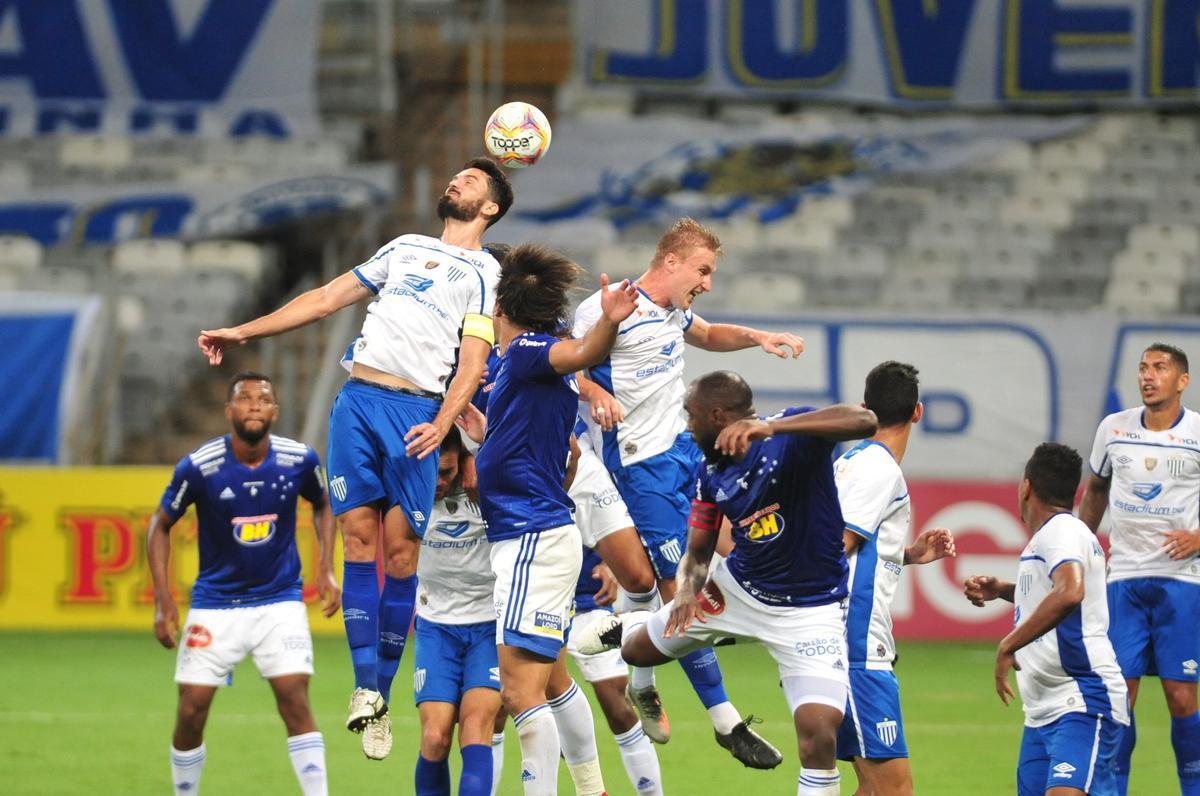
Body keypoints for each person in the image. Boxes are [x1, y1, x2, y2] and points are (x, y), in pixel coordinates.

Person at [198, 158, 513, 759]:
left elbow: (473, 361)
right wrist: (241, 333)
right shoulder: (403, 247)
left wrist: (443, 422)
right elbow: (322, 298)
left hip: (416, 412)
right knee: (359, 541)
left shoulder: (484, 273)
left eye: (471, 182)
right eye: (455, 177)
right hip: (357, 400)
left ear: (491, 207)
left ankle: (383, 693)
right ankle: (366, 692)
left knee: (401, 553)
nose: (455, 182)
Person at [573, 217, 804, 765]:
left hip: (683, 452)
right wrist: (591, 392)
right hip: (637, 465)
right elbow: (565, 361)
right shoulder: (608, 306)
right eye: (703, 270)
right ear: (670, 261)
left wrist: (756, 337)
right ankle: (725, 721)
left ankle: (643, 678)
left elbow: (704, 333)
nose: (707, 281)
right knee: (683, 587)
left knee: (684, 576)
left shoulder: (673, 310)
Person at [586, 370, 877, 795]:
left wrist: (772, 426)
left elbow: (863, 421)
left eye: (691, 416)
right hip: (738, 592)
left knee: (819, 734)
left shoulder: (790, 438)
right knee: (636, 650)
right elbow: (700, 549)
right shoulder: (711, 472)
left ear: (717, 416)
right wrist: (686, 593)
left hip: (809, 612)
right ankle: (633, 627)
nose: (687, 425)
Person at [458, 243, 638, 795]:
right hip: (536, 531)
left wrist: (606, 324)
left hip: (530, 539)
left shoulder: (529, 351)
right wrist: (489, 440)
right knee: (554, 681)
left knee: (518, 693)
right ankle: (592, 789)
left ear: (500, 310)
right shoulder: (528, 373)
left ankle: (634, 628)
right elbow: (565, 457)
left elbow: (577, 354)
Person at [147, 372, 340, 796]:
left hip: (279, 601)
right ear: (228, 411)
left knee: (295, 699)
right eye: (244, 398)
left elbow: (323, 505)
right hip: (216, 604)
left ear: (275, 411)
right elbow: (158, 527)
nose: (254, 404)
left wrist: (326, 567)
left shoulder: (300, 460)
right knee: (191, 710)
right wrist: (164, 602)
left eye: (264, 398)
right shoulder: (200, 466)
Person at [965, 442, 1129, 796]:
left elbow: (1070, 592)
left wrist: (1009, 643)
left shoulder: (1061, 532)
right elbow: (1057, 593)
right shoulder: (1052, 537)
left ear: (1026, 487)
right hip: (1042, 712)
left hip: (1083, 700)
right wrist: (1005, 590)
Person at [1078, 342, 1200, 795]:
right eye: (1144, 368)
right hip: (1124, 578)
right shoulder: (1114, 429)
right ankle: (1113, 789)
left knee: (1181, 695)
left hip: (1183, 582)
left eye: (1161, 368)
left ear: (1182, 381)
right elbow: (1096, 489)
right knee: (1119, 697)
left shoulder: (1198, 434)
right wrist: (1077, 546)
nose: (1148, 376)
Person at [833, 361, 956, 795]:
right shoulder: (880, 469)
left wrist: (903, 555)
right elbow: (836, 546)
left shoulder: (849, 461)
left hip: (849, 643)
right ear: (917, 412)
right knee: (894, 789)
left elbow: (847, 545)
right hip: (857, 647)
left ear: (866, 410)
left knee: (871, 787)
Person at [411, 426, 498, 796]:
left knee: (476, 728)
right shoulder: (406, 491)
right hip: (436, 626)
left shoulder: (487, 486)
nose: (437, 482)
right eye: (432, 471)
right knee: (434, 737)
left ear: (461, 462)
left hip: (490, 625)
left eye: (446, 472)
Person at [566, 549, 664, 795]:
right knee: (508, 711)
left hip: (589, 604)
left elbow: (618, 523)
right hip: (534, 604)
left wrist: (611, 562)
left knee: (619, 709)